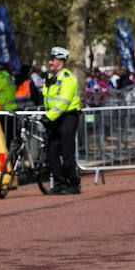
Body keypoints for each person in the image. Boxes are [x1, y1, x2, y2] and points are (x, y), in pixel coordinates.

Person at [43, 46, 82, 195]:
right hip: (54, 118)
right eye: (50, 59)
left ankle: (73, 183)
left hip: (67, 118)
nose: (50, 62)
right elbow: (48, 99)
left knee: (67, 153)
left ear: (61, 61)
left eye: (53, 59)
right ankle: (59, 184)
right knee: (52, 153)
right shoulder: (51, 77)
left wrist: (48, 117)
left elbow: (63, 102)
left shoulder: (68, 78)